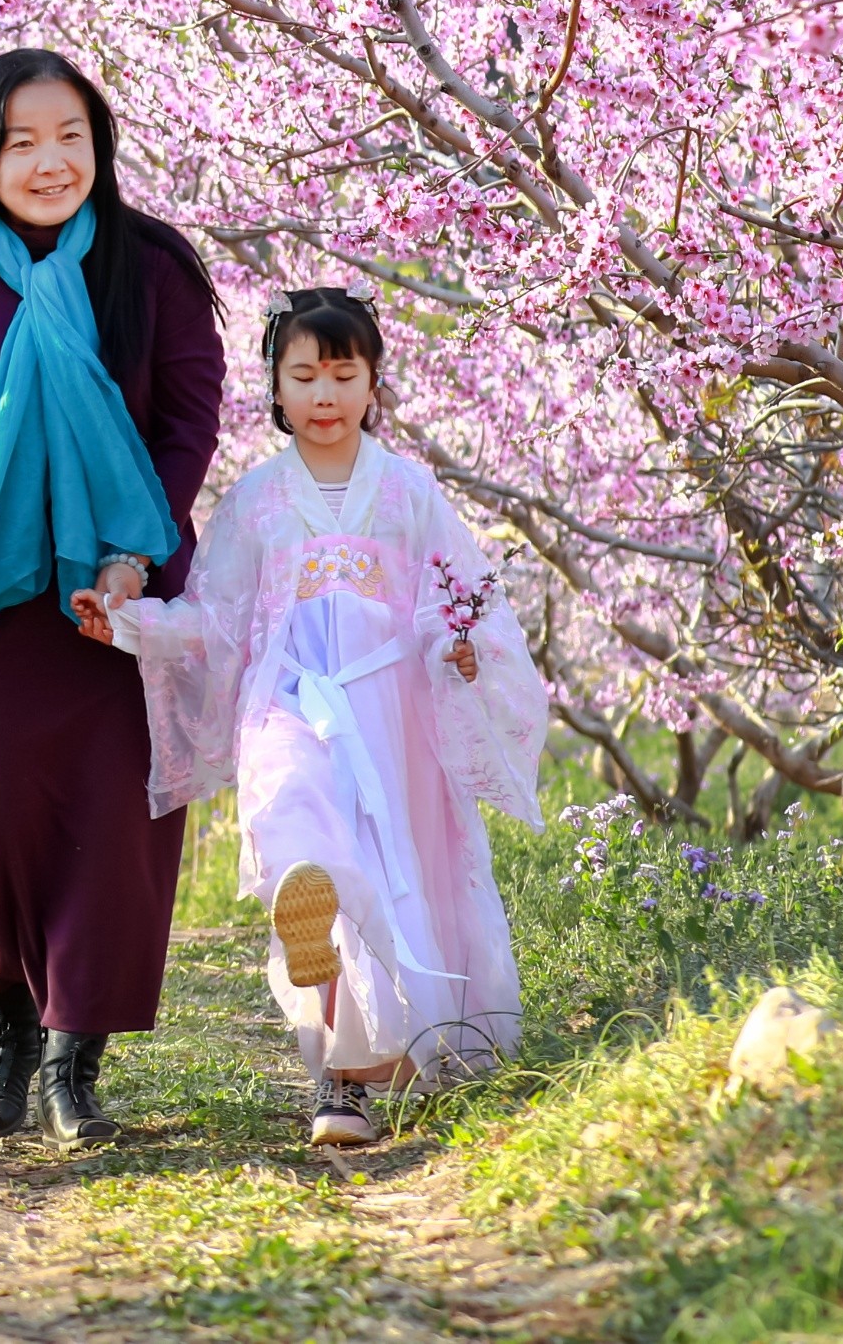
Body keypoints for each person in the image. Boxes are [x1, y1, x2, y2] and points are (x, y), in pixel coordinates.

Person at [86, 289, 548, 1149]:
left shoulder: (408, 491)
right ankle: (336, 1068)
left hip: (390, 712)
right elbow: (216, 614)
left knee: (387, 863)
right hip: (290, 701)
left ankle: (365, 1074)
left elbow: (462, 600)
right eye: (303, 375)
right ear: (276, 386)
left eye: (343, 373)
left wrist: (459, 647)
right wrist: (132, 622)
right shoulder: (258, 501)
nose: (324, 395)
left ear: (374, 382)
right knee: (308, 850)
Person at [0, 48, 224, 1146]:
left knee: (112, 832)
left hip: (116, 606)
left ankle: (76, 1063)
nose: (48, 160)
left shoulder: (152, 269)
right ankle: (12, 1027)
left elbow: (185, 426)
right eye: (21, 140)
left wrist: (131, 557)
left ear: (99, 143)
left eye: (69, 134)